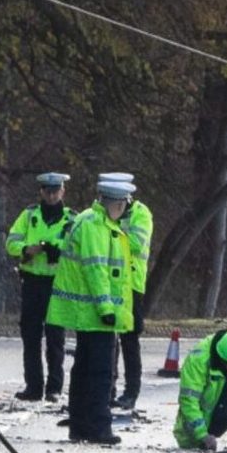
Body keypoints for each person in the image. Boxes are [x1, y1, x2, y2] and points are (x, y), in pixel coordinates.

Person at [46, 180, 136, 445]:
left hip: (86, 311)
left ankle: (80, 425)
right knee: (99, 372)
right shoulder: (96, 226)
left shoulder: (92, 220)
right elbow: (96, 270)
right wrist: (106, 308)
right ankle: (98, 427)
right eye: (123, 207)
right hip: (94, 313)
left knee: (84, 369)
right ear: (117, 204)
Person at [6, 172, 75, 402]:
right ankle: (33, 386)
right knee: (31, 336)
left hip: (57, 285)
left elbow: (78, 250)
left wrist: (58, 251)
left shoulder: (71, 220)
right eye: (48, 191)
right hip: (33, 282)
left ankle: (54, 388)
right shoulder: (29, 216)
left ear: (63, 192)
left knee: (56, 338)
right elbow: (11, 243)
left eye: (56, 191)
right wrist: (27, 248)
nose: (52, 195)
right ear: (41, 192)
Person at [99, 172, 153, 410]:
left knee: (130, 340)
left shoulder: (141, 214)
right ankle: (107, 388)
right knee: (107, 338)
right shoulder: (102, 212)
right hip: (108, 283)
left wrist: (112, 229)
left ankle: (131, 392)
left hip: (131, 286)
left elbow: (135, 244)